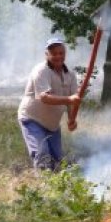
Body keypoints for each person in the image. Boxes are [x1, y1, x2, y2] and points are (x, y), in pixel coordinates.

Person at [18, 38, 80, 171]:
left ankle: (57, 189)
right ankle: (43, 187)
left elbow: (73, 100)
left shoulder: (70, 74)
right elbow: (44, 97)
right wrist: (69, 99)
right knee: (42, 153)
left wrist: (71, 119)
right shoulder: (41, 71)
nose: (58, 56)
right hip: (32, 119)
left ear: (65, 54)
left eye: (61, 53)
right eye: (54, 53)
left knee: (57, 160)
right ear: (47, 54)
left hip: (52, 125)